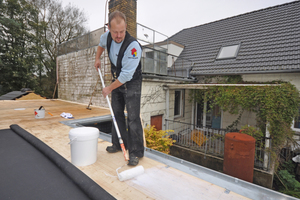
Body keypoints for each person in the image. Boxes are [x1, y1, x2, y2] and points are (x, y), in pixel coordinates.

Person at [94, 10, 144, 166]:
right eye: (115, 32)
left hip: (131, 82)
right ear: (109, 28)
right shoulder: (106, 37)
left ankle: (135, 152)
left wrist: (109, 88)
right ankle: (117, 144)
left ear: (126, 27)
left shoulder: (133, 47)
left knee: (133, 118)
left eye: (122, 31)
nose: (118, 36)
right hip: (117, 80)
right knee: (116, 112)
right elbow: (101, 46)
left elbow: (126, 76)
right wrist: (97, 59)